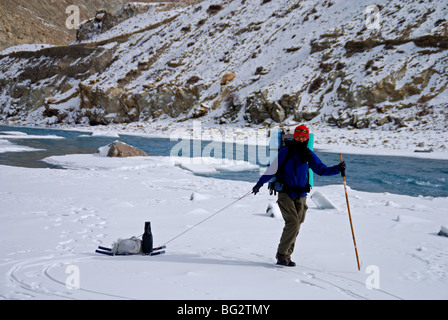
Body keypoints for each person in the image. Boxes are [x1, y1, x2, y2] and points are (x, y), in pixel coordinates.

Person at [252, 125, 346, 267]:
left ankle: (287, 256)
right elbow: (272, 169)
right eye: (298, 136)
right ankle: (281, 254)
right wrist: (259, 184)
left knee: (298, 223)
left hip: (301, 194)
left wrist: (337, 169)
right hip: (285, 193)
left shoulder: (309, 154)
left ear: (307, 139)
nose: (300, 139)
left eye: (303, 137)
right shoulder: (285, 152)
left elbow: (321, 170)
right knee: (293, 223)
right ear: (294, 137)